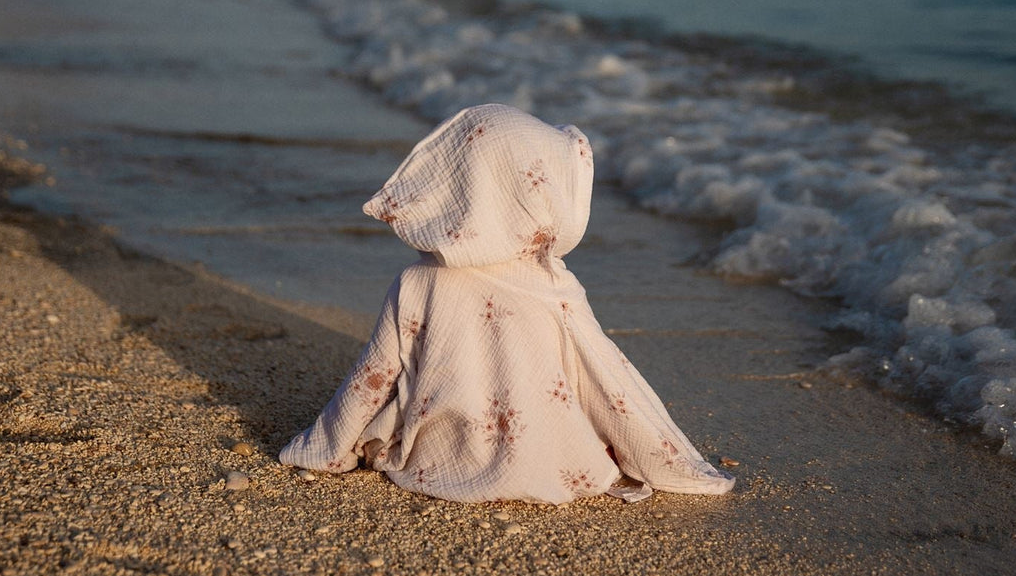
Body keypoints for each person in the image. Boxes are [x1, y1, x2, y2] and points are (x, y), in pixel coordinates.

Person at [279, 103, 734, 503]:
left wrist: (327, 448)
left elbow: (371, 379)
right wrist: (658, 452)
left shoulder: (417, 282)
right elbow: (605, 381)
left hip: (439, 457)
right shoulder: (554, 283)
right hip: (550, 459)